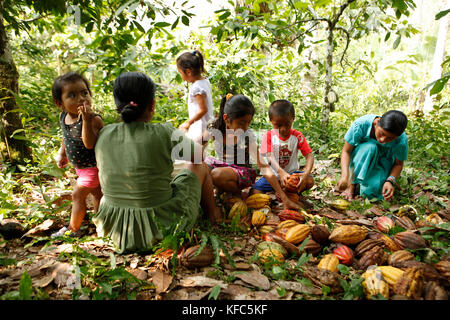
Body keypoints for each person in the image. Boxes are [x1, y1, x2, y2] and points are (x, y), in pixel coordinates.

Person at [92, 71, 221, 254]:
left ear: (117, 106)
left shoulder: (104, 134)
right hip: (161, 228)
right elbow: (198, 157)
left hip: (113, 230)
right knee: (199, 166)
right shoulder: (164, 133)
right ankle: (212, 216)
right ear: (152, 105)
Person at [204, 94, 300, 210]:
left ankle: (235, 194)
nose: (245, 127)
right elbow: (198, 149)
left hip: (242, 173)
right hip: (223, 167)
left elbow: (263, 166)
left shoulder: (247, 136)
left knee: (216, 174)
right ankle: (212, 200)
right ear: (226, 119)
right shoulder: (214, 127)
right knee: (202, 166)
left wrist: (283, 197)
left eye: (248, 123)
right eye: (241, 123)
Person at [51, 72, 104, 237]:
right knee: (97, 194)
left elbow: (89, 143)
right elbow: (65, 137)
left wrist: (86, 121)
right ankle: (101, 224)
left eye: (84, 93)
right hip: (81, 168)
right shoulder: (64, 117)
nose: (81, 98)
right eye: (72, 95)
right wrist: (62, 153)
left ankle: (72, 230)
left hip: (93, 166)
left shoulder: (93, 119)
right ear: (60, 103)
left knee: (77, 195)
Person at [337, 110, 408, 201]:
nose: (383, 140)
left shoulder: (401, 140)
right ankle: (351, 185)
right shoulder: (360, 125)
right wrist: (345, 176)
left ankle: (368, 184)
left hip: (383, 161)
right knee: (370, 147)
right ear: (377, 122)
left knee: (374, 195)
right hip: (362, 155)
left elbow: (398, 164)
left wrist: (389, 181)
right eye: (382, 133)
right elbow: (346, 151)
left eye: (390, 138)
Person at [251, 99, 314, 195]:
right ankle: (281, 191)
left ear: (293, 118)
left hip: (292, 175)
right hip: (273, 176)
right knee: (254, 192)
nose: (283, 129)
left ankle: (287, 192)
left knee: (309, 181)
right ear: (271, 120)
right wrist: (281, 172)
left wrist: (306, 173)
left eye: (287, 124)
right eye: (278, 125)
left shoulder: (297, 136)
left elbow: (309, 156)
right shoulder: (269, 136)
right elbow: (269, 157)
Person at [176, 50, 214, 144]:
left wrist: (188, 123)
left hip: (200, 127)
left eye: (181, 73)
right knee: (199, 154)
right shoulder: (204, 81)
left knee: (194, 154)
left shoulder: (197, 87)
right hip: (205, 125)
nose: (181, 76)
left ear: (188, 72)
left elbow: (203, 109)